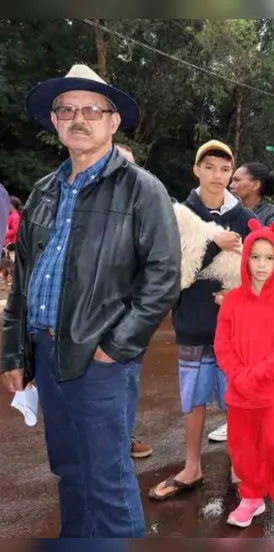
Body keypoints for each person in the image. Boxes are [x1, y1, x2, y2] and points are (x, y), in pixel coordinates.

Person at [1, 64, 180, 537]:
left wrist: (117, 346)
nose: (78, 118)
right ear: (55, 121)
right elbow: (22, 283)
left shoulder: (142, 189)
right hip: (45, 353)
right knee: (69, 471)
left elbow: (164, 276)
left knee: (108, 478)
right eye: (67, 109)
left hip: (101, 359)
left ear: (113, 121)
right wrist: (14, 352)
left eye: (91, 110)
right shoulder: (42, 192)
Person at [149, 140, 254, 501]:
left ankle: (241, 468)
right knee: (193, 401)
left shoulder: (242, 215)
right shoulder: (179, 214)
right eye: (209, 167)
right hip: (193, 323)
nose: (217, 176)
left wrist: (236, 296)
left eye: (225, 169)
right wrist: (215, 245)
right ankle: (192, 466)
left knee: (237, 400)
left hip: (235, 330)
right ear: (196, 170)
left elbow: (262, 264)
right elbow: (171, 270)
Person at [214, 219, 274, 535]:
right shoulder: (233, 300)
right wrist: (239, 375)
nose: (262, 265)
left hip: (271, 392)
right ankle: (251, 496)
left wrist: (257, 375)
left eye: (269, 258)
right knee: (241, 447)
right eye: (255, 257)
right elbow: (222, 344)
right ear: (245, 259)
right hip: (239, 392)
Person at [212, 161, 274, 448]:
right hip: (238, 300)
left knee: (273, 361)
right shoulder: (229, 211)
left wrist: (249, 245)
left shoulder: (272, 215)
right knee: (241, 357)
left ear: (255, 185)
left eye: (237, 179)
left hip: (266, 301)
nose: (231, 184)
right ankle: (239, 415)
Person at [111, 143, 154, 460]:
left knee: (126, 382)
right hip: (84, 322)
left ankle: (122, 437)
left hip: (128, 319)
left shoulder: (144, 210)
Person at [2, 194, 20, 289]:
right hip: (7, 243)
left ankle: (16, 284)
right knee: (6, 264)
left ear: (12, 205)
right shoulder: (11, 215)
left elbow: (15, 230)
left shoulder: (15, 216)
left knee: (12, 264)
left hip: (12, 243)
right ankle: (6, 283)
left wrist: (5, 234)